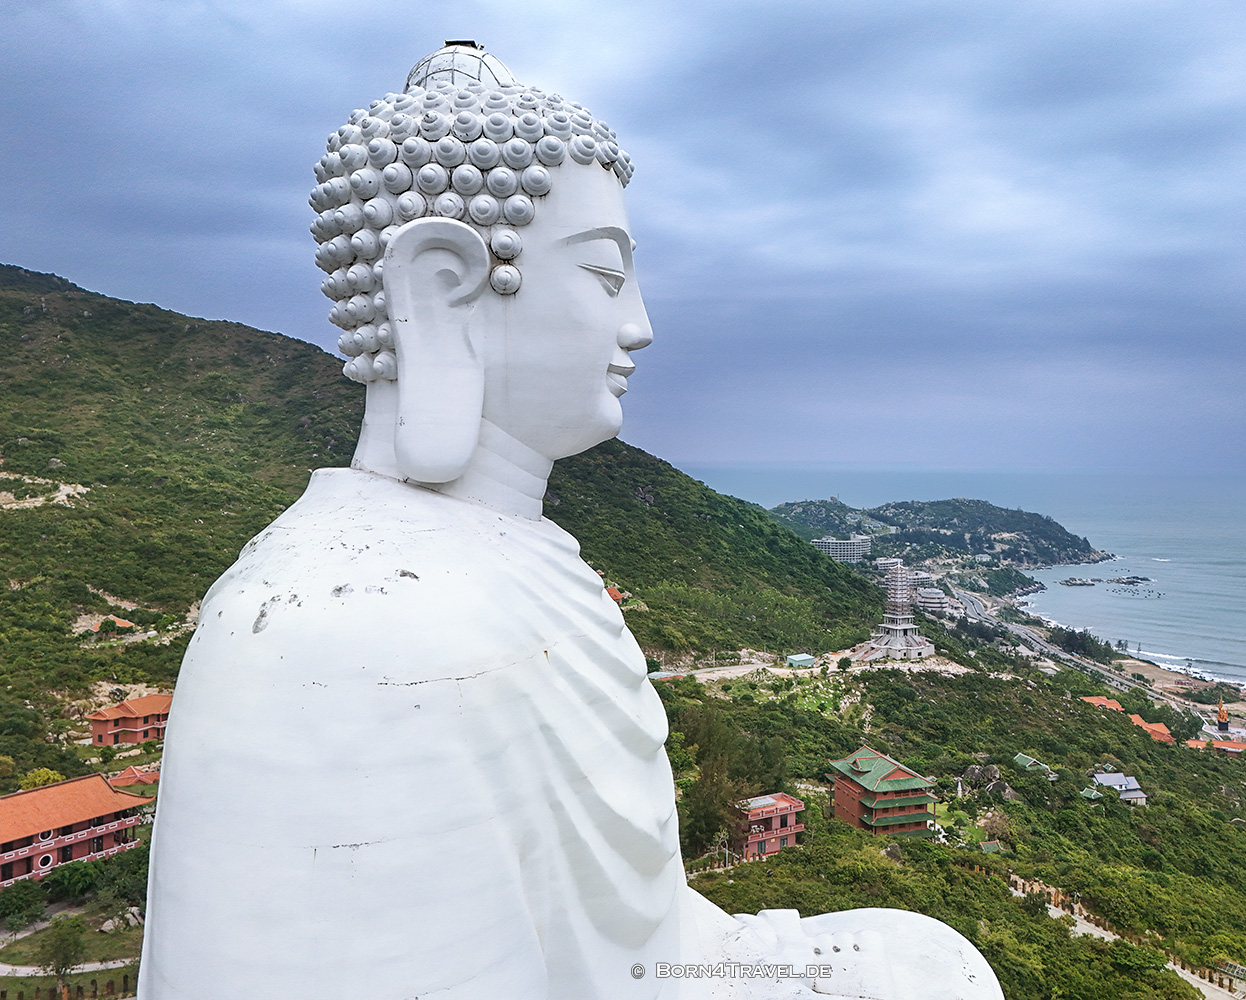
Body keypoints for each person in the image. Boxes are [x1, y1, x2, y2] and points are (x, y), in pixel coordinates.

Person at [140, 42, 1001, 1000]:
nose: (639, 326)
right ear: (438, 286)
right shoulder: (338, 622)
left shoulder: (523, 559)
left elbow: (644, 934)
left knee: (925, 961)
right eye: (604, 274)